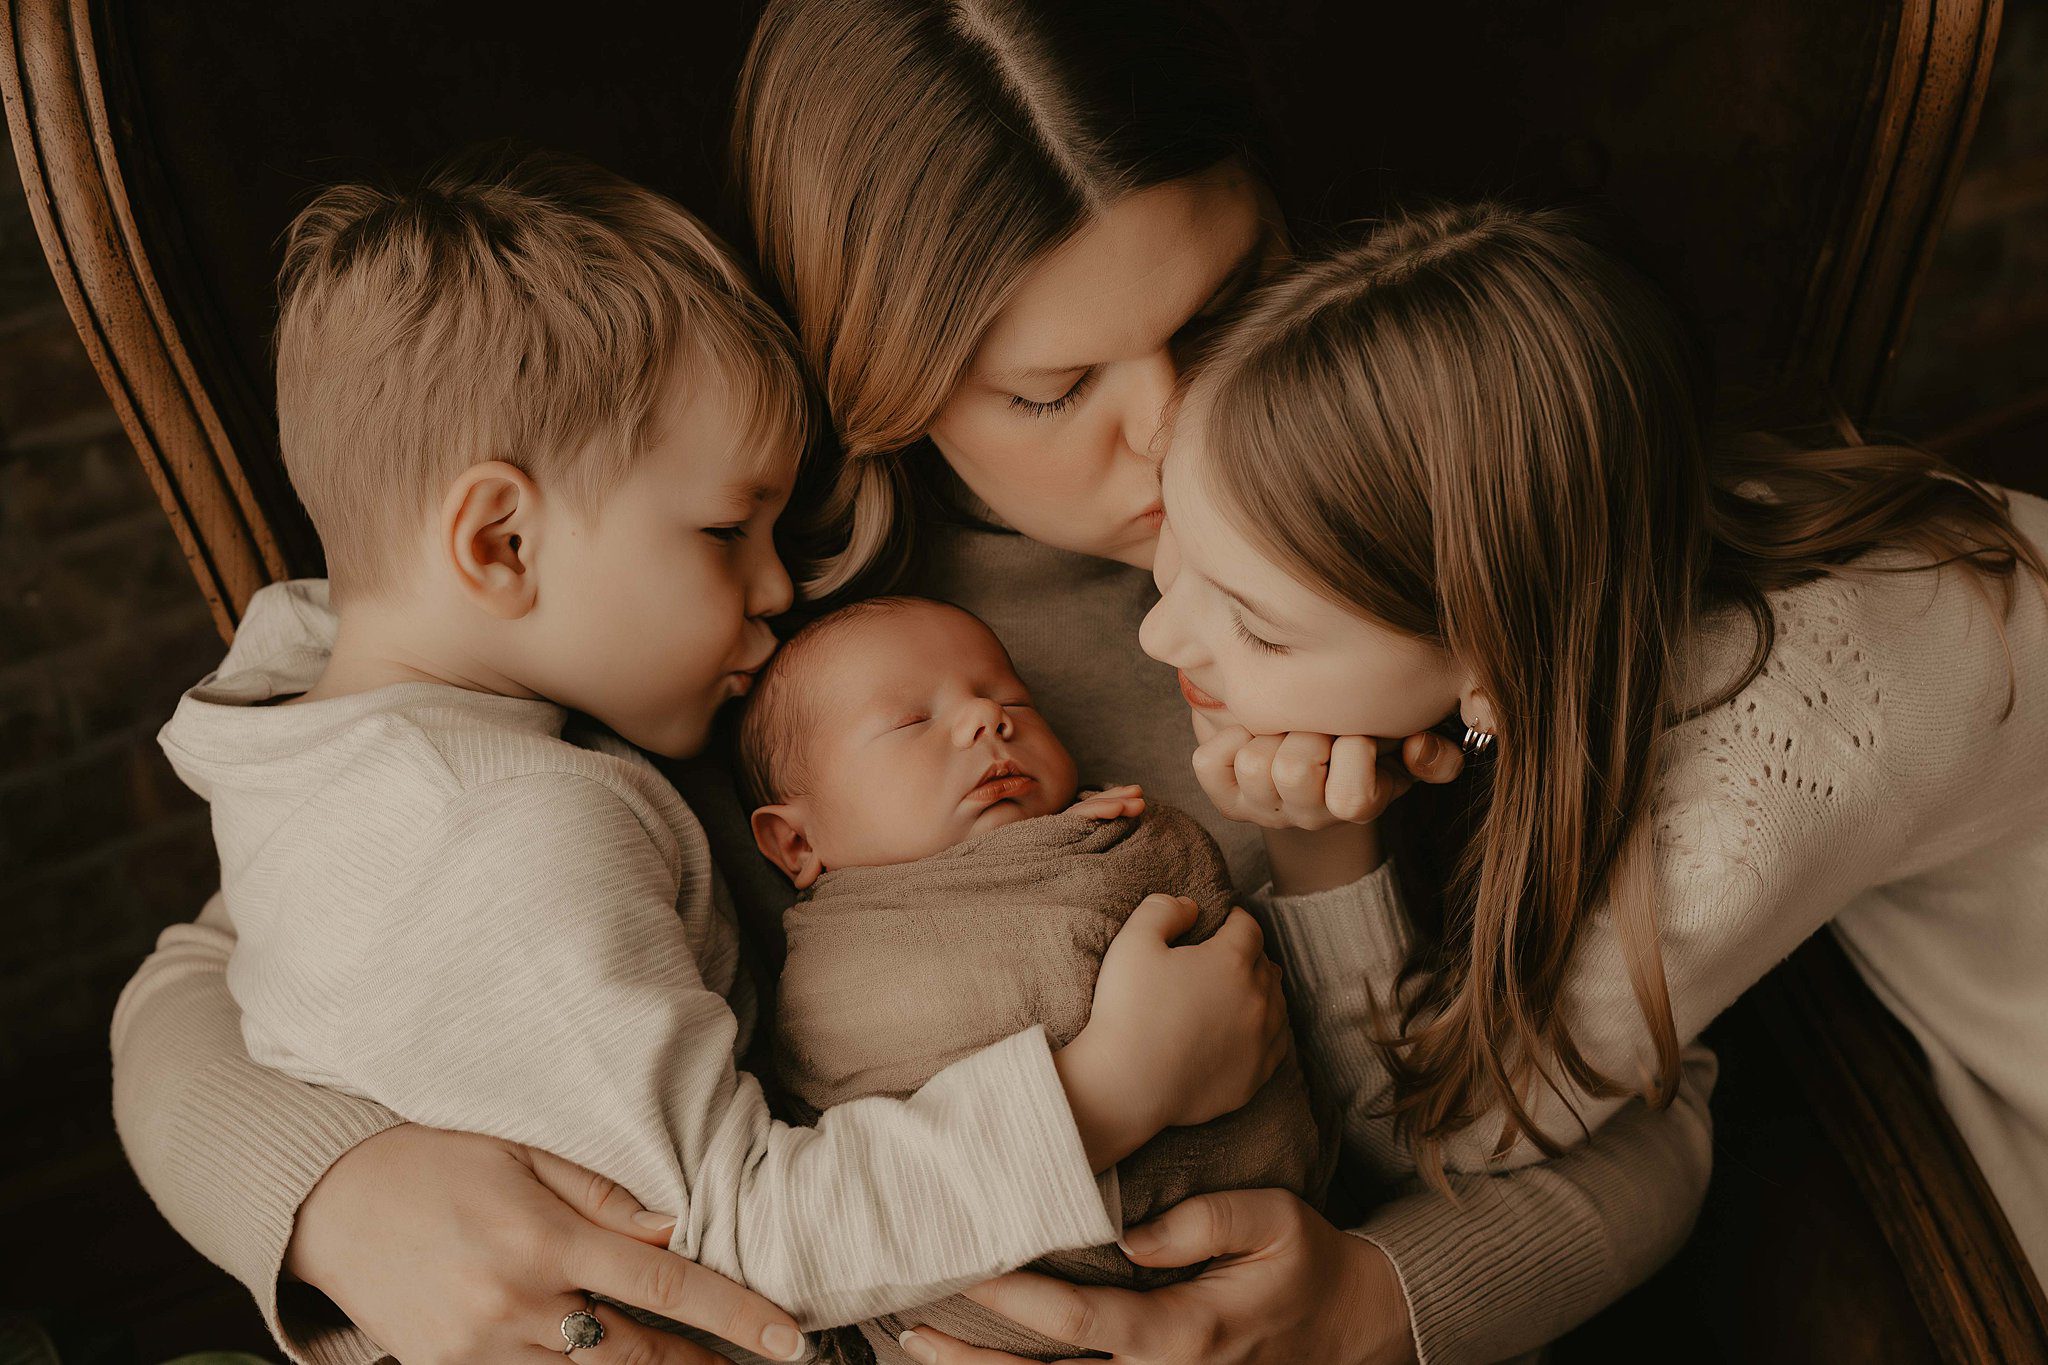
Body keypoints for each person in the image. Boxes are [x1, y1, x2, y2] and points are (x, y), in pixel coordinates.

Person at [110, 5, 1710, 1363]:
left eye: (1228, 305)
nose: (1171, 427)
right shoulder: (710, 629)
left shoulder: (1432, 490)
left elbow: (1666, 1106)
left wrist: (1385, 1306)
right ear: (883, 370)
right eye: (1050, 386)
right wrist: (330, 1196)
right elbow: (213, 970)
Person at [142, 151, 1295, 1362]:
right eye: (723, 531)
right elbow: (725, 1243)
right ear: (498, 542)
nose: (775, 582)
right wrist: (1108, 1094)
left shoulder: (334, 728)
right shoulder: (499, 831)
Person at [1133, 201, 2048, 1270]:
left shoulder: (1740, 803)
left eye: (1253, 624)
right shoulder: (1593, 511)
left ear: (1488, 661)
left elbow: (1446, 1132)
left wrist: (1315, 845)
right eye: (1170, 533)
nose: (1159, 632)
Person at [736, 595, 1324, 1362]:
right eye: (911, 720)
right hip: (987, 1315)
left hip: (1275, 1278)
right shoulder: (839, 967)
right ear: (795, 842)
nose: (988, 717)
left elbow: (1209, 924)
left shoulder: (1107, 837)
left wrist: (1106, 845)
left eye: (1013, 699)